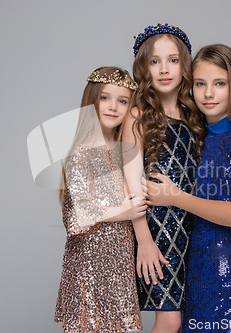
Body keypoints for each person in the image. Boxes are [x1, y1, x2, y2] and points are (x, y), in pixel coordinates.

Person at [145, 44, 231, 332]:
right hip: (197, 276)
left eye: (219, 84)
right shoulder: (194, 137)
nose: (208, 93)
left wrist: (176, 197)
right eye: (200, 84)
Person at [122, 24, 206, 333]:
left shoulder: (195, 115)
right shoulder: (137, 116)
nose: (164, 69)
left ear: (184, 64)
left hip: (193, 227)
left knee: (187, 318)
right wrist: (143, 241)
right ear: (144, 67)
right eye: (154, 61)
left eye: (172, 60)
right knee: (169, 319)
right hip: (158, 231)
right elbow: (131, 184)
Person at [54, 67, 145, 333]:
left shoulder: (121, 152)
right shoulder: (82, 152)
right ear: (91, 100)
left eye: (122, 101)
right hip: (90, 263)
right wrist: (124, 210)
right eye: (105, 98)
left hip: (119, 261)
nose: (113, 107)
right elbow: (76, 217)